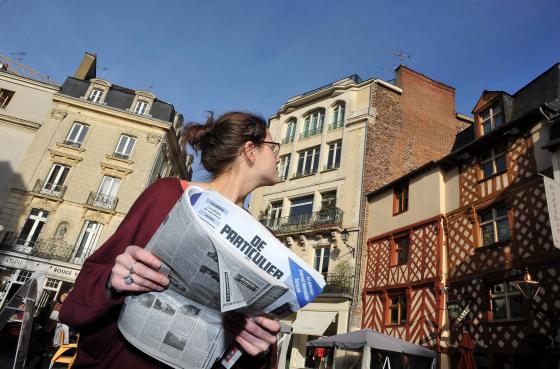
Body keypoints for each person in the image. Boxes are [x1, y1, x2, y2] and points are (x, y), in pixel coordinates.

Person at [59, 112, 282, 369]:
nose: (279, 155)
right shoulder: (167, 195)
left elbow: (246, 349)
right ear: (250, 150)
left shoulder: (265, 242)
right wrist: (113, 281)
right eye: (273, 147)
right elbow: (84, 290)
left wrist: (257, 349)